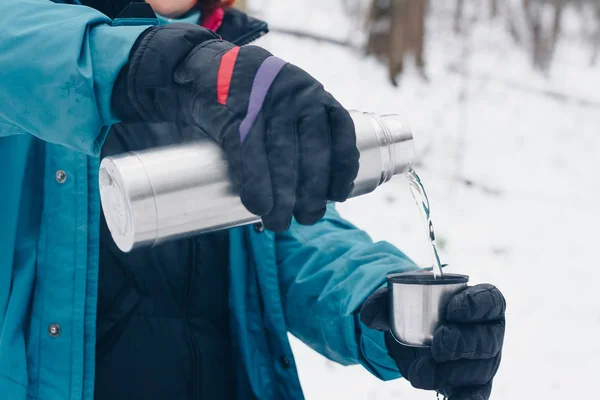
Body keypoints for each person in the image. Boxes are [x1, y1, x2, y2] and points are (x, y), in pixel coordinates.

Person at [0, 1, 506, 399]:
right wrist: (164, 64)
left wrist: (384, 306)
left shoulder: (240, 71)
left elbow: (294, 232)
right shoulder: (31, 54)